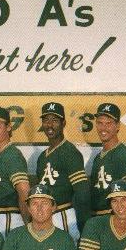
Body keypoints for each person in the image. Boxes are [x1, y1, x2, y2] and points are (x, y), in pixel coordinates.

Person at [35, 102, 91, 240]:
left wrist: (84, 226)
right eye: (46, 120)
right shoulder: (42, 157)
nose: (49, 125)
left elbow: (82, 194)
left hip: (64, 215)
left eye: (54, 120)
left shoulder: (70, 152)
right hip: (44, 218)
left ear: (63, 123)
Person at [89, 103, 126, 221]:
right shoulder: (98, 157)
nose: (103, 128)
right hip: (97, 219)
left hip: (114, 219)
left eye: (108, 123)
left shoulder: (124, 156)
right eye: (100, 123)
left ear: (117, 126)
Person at [0, 106, 30, 236]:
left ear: (8, 127)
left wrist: (29, 224)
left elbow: (24, 192)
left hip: (7, 217)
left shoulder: (12, 154)